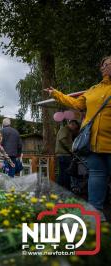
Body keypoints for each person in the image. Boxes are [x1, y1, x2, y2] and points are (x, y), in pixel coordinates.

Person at [44, 55, 111, 216]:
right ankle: (96, 214)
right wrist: (56, 94)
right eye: (106, 64)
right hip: (92, 144)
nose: (109, 66)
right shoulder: (93, 90)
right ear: (101, 69)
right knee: (97, 175)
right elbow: (75, 104)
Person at [55, 120, 80, 189]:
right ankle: (66, 189)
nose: (75, 130)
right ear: (72, 124)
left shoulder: (67, 130)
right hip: (64, 155)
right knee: (66, 173)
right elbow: (63, 139)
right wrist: (72, 149)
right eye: (75, 128)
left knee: (63, 173)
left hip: (63, 155)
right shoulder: (65, 129)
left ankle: (60, 189)